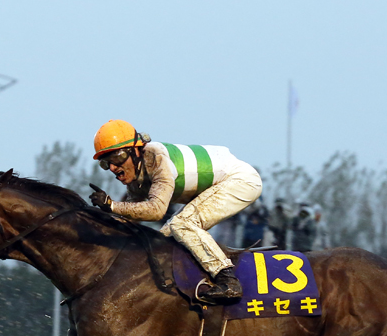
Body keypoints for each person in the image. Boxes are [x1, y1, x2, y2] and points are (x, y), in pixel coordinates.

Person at [88, 120, 262, 304]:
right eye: (106, 163)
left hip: (240, 180)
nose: (113, 168)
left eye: (117, 157)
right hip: (217, 184)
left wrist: (111, 206)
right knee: (162, 239)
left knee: (182, 224)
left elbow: (156, 211)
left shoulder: (156, 158)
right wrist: (95, 227)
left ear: (136, 150)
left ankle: (227, 280)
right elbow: (128, 219)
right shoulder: (137, 177)